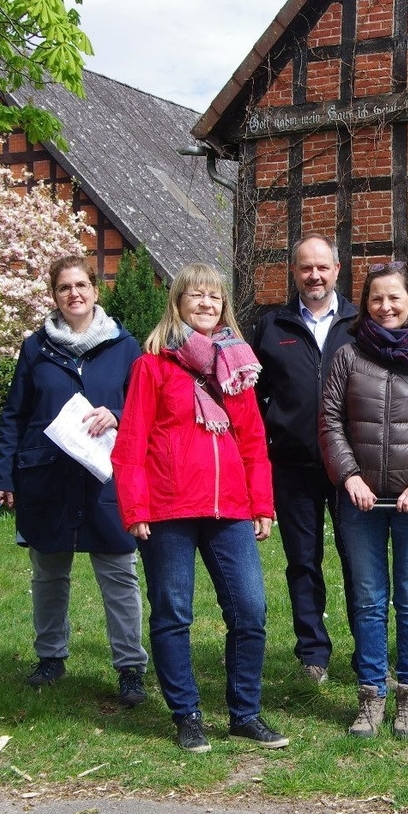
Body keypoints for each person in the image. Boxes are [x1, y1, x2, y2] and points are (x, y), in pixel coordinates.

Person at [111, 263, 288, 754]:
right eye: (196, 297)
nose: (207, 305)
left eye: (214, 297)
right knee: (173, 613)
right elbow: (131, 443)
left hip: (230, 508)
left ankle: (244, 713)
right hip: (167, 507)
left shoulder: (238, 368)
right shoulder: (152, 366)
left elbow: (253, 442)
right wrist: (135, 508)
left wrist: (262, 505)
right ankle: (186, 714)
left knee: (250, 610)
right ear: (178, 304)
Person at [0, 256, 148, 706]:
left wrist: (115, 414)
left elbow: (143, 410)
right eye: (64, 287)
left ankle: (130, 668)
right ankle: (50, 657)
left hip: (105, 478)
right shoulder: (35, 348)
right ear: (54, 296)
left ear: (96, 291)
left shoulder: (125, 347)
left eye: (81, 285)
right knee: (49, 573)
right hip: (48, 479)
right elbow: (15, 415)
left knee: (119, 572)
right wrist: (3, 475)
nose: (73, 294)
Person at [319, 261, 408, 739]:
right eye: (376, 299)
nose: (386, 307)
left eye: (395, 297)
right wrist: (349, 477)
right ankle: (370, 695)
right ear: (365, 304)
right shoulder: (347, 356)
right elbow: (330, 423)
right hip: (360, 502)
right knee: (367, 600)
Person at [253, 233, 358, 685]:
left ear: (337, 270)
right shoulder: (271, 326)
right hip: (293, 466)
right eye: (304, 268)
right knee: (302, 561)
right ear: (293, 273)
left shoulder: (359, 322)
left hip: (353, 467)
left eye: (322, 267)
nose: (313, 275)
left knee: (361, 564)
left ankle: (367, 652)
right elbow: (254, 398)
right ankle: (312, 653)